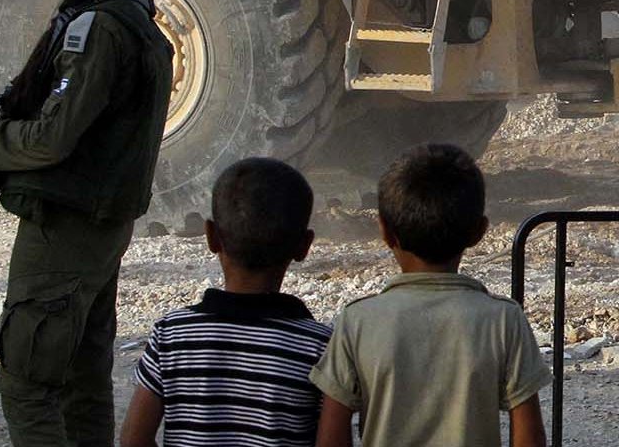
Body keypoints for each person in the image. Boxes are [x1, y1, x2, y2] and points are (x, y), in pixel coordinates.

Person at [0, 0, 175, 447]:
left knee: (28, 384)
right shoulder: (129, 12)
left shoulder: (100, 26)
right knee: (83, 376)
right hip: (98, 222)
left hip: (67, 223)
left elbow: (51, 140)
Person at [310, 145, 548, 447]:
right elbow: (529, 437)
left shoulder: (357, 321)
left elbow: (330, 438)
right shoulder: (504, 319)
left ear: (384, 232)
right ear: (479, 232)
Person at [121, 159, 329, 447]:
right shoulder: (319, 346)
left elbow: (134, 439)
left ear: (211, 236)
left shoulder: (172, 334)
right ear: (304, 246)